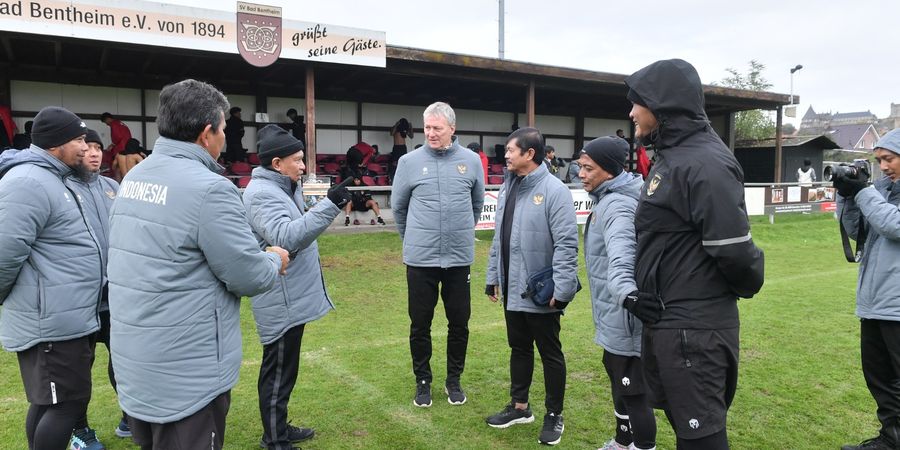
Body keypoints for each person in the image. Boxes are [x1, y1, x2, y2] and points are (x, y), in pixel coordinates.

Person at [106, 79, 289, 450]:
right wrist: (273, 258)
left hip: (138, 361)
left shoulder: (134, 176)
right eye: (223, 129)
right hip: (186, 371)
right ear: (208, 133)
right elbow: (247, 275)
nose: (224, 138)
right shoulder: (209, 188)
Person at [625, 59, 765, 449]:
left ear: (662, 105)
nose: (632, 112)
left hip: (695, 331)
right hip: (671, 323)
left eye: (638, 102)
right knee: (687, 432)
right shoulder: (673, 156)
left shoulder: (704, 162)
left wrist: (722, 291)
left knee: (701, 439)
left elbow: (735, 253)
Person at [243, 124, 352, 450]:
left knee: (285, 368)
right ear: (277, 164)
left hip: (289, 296)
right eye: (298, 160)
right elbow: (287, 238)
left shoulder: (282, 187)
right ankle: (274, 439)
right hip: (280, 297)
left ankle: (280, 427)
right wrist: (330, 205)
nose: (304, 166)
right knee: (277, 370)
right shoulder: (262, 193)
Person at [0, 106, 101, 450]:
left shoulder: (57, 178)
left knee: (49, 402)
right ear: (57, 145)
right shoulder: (28, 181)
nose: (86, 148)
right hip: (51, 321)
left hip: (66, 317)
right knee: (65, 405)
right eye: (79, 140)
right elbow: (4, 252)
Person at [484, 127, 579, 446]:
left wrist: (562, 289)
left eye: (511, 150)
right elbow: (499, 237)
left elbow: (567, 244)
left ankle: (555, 414)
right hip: (512, 288)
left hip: (542, 291)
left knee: (550, 352)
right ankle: (520, 407)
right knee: (519, 348)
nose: (505, 155)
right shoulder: (508, 186)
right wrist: (492, 276)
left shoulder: (554, 191)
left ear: (530, 154)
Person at [391, 101, 485, 408]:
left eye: (437, 128)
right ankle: (423, 381)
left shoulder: (471, 161)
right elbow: (399, 208)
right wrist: (415, 240)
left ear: (452, 129)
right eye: (427, 127)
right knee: (420, 324)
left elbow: (476, 204)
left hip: (459, 259)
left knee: (460, 323)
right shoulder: (409, 162)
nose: (430, 133)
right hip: (421, 260)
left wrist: (457, 234)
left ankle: (453, 380)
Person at [578, 137, 656, 450]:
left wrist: (627, 294)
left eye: (588, 168)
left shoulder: (617, 205)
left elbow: (623, 255)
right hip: (612, 315)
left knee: (633, 389)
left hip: (625, 315)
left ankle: (643, 446)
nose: (581, 174)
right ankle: (623, 442)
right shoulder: (607, 197)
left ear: (609, 171)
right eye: (580, 167)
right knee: (618, 378)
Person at [836, 128, 900, 450]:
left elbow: (893, 225)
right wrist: (846, 194)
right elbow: (856, 230)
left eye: (889, 159)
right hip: (875, 302)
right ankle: (891, 439)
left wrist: (863, 192)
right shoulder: (882, 191)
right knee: (880, 379)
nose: (883, 167)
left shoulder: (878, 195)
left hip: (898, 307)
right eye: (879, 161)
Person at [68, 129, 131, 447]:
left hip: (115, 293)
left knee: (122, 358)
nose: (93, 153)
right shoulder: (62, 187)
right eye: (87, 147)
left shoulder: (112, 187)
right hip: (81, 298)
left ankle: (129, 416)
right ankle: (79, 429)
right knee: (79, 368)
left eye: (97, 147)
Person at [100, 112, 133, 181]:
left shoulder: (114, 124)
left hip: (120, 148)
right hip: (128, 147)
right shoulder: (120, 123)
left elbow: (117, 137)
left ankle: (118, 184)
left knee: (117, 168)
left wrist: (112, 145)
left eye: (105, 122)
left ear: (108, 119)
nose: (106, 124)